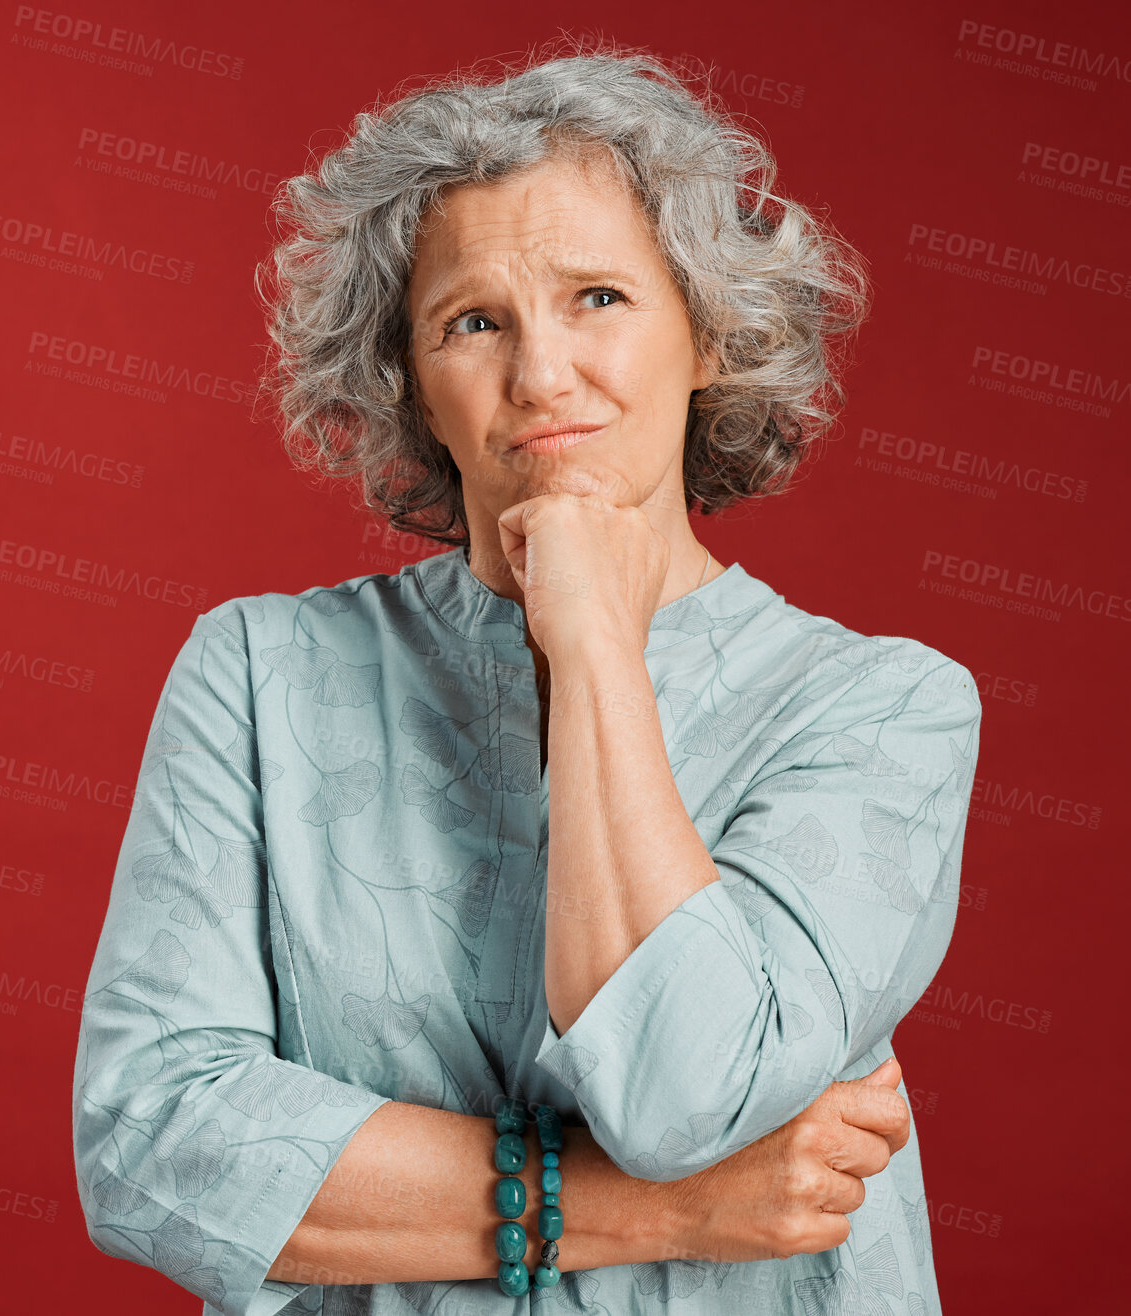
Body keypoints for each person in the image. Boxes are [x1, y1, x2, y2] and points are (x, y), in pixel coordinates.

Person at [72, 39, 982, 1316]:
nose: (543, 373)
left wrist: (597, 635)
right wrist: (642, 1212)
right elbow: (152, 1141)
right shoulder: (259, 672)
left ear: (707, 334)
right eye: (474, 321)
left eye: (600, 298)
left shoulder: (886, 707)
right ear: (413, 391)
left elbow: (685, 1090)